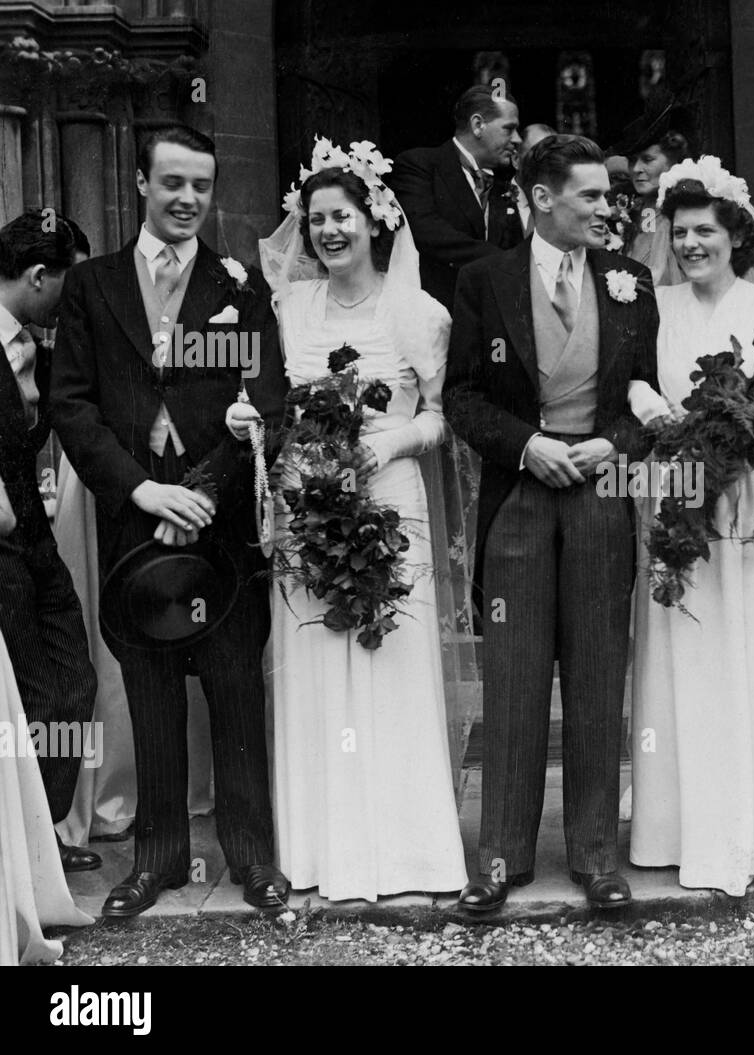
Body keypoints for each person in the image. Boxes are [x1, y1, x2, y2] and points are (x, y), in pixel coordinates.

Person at [50, 124, 289, 917]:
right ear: (143, 183)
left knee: (232, 689)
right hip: (133, 517)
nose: (188, 199)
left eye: (202, 186)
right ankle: (155, 859)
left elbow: (266, 397)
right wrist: (142, 493)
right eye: (173, 183)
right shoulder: (92, 285)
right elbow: (73, 405)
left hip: (217, 519)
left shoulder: (240, 285)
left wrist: (205, 489)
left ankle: (254, 858)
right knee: (148, 688)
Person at [244, 143, 469, 901]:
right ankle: (321, 851)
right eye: (315, 221)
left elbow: (440, 418)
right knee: (314, 664)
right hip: (309, 496)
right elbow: (278, 402)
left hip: (390, 494)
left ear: (375, 219)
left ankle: (408, 852)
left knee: (388, 658)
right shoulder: (290, 306)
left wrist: (382, 445)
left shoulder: (418, 311)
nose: (328, 231)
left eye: (341, 216)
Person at [445, 134, 659, 913]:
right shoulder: (484, 281)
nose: (608, 208)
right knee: (515, 675)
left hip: (602, 495)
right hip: (521, 498)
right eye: (592, 196)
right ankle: (501, 855)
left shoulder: (631, 281)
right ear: (542, 198)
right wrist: (528, 446)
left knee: (599, 673)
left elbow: (646, 392)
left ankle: (598, 854)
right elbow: (462, 397)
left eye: (608, 195)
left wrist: (613, 444)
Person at [625, 163, 754, 895]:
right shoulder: (656, 303)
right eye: (679, 232)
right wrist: (666, 420)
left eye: (705, 230)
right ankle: (679, 827)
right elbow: (633, 380)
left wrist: (751, 440)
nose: (689, 243)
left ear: (737, 232)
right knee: (691, 643)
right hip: (680, 491)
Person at [0, 210, 100, 874]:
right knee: (36, 693)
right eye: (70, 281)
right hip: (2, 549)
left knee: (75, 684)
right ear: (40, 276)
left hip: (35, 541)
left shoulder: (38, 347)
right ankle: (32, 852)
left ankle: (44, 826)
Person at [0, 625, 93, 964]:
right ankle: (37, 844)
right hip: (10, 573)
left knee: (79, 685)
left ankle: (44, 834)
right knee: (41, 701)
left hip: (50, 570)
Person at [389, 85, 524, 310]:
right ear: (478, 125)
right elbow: (426, 231)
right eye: (509, 129)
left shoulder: (504, 185)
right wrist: (507, 262)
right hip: (436, 315)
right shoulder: (419, 165)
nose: (518, 139)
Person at [626, 130, 691, 284]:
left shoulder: (687, 207)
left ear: (673, 162)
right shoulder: (644, 207)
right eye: (632, 160)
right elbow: (644, 246)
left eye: (647, 159)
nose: (636, 169)